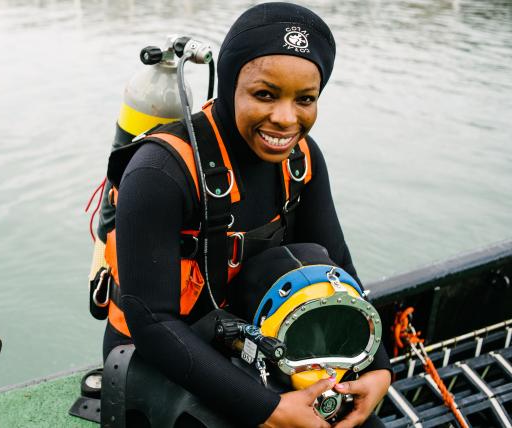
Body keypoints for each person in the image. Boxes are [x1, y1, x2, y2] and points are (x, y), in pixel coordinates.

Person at [103, 3, 392, 427]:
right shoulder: (158, 172)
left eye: (305, 99)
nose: (285, 118)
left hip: (251, 334)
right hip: (159, 352)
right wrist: (269, 411)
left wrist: (378, 367)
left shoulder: (302, 160)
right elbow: (151, 321)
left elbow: (338, 267)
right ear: (230, 83)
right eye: (265, 94)